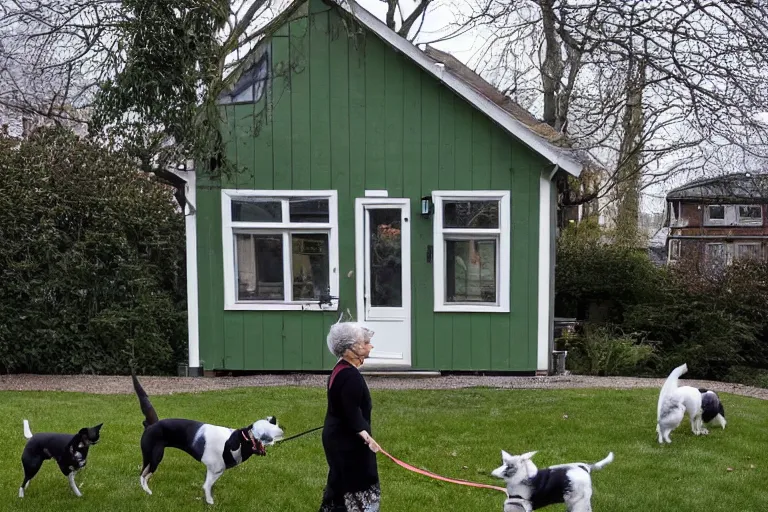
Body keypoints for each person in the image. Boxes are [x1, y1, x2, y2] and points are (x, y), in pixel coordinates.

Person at [319, 321, 381, 512]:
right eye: (366, 342)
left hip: (338, 437)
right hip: (348, 442)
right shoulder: (350, 376)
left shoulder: (341, 369)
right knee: (357, 483)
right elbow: (351, 411)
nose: (371, 345)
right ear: (351, 349)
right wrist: (368, 438)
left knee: (339, 484)